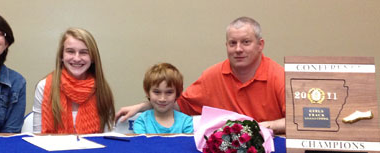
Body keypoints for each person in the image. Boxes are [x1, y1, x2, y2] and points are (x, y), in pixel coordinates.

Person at [116, 17, 285, 134]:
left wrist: (262, 127)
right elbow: (177, 104)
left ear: (260, 45)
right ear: (226, 45)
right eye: (233, 43)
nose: (238, 49)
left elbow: (301, 123)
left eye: (246, 42)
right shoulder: (212, 76)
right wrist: (141, 107)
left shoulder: (279, 77)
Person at [32, 28, 115, 134]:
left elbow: (109, 136)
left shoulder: (102, 89)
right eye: (70, 51)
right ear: (61, 56)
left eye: (84, 52)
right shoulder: (43, 87)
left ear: (93, 57)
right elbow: (38, 136)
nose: (76, 58)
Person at [133, 63, 193, 134]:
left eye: (169, 92)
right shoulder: (142, 122)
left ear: (177, 94)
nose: (162, 99)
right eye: (157, 92)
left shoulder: (187, 122)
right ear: (147, 92)